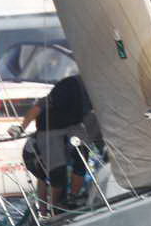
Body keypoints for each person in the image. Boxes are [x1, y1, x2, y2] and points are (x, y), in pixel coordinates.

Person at [13, 74, 93, 214]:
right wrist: (21, 128)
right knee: (55, 174)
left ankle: (72, 198)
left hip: (72, 125)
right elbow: (38, 107)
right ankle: (52, 208)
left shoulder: (95, 89)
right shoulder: (69, 87)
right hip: (50, 130)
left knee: (81, 157)